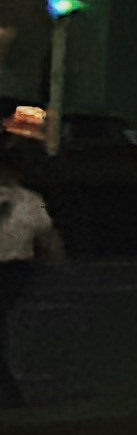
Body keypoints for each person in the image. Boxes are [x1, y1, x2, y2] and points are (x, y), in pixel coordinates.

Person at [0, 146, 56, 409]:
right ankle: (10, 392)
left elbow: (46, 237)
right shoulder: (31, 200)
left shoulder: (29, 201)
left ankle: (10, 393)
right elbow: (47, 236)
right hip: (17, 268)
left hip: (13, 268)